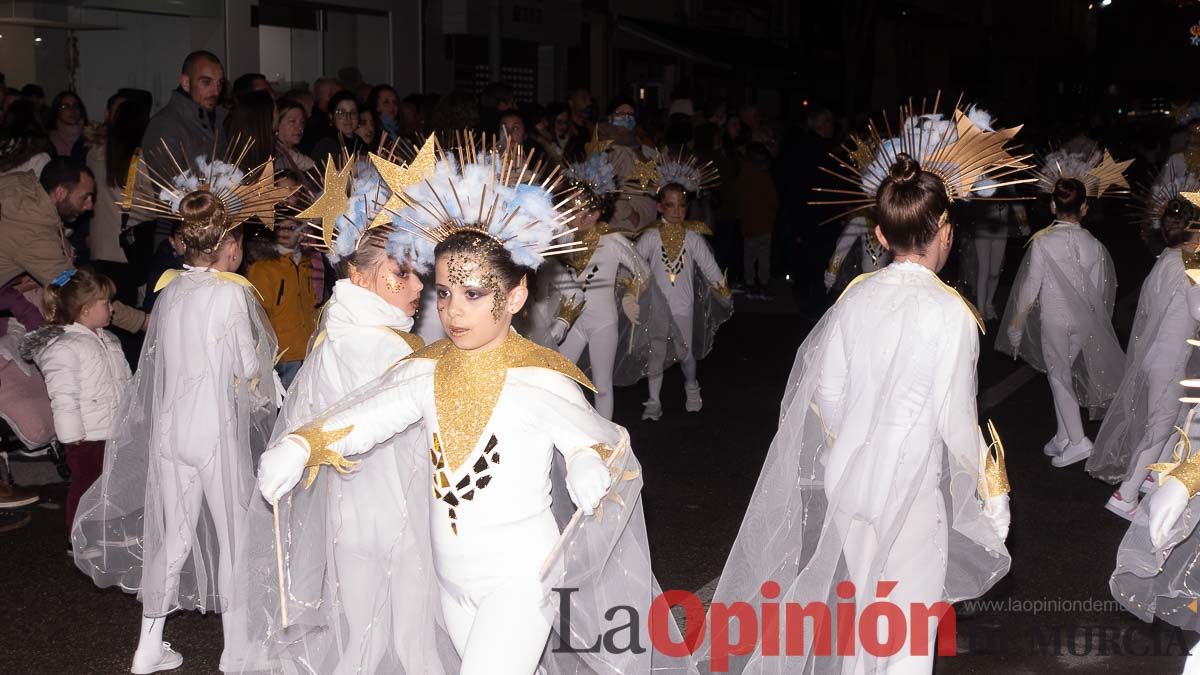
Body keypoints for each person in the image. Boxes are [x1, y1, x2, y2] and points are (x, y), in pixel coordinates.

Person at [256, 137, 690, 674]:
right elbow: (367, 414)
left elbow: (600, 440)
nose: (454, 311)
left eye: (473, 295)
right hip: (450, 584)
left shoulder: (540, 375)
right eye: (444, 293)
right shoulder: (426, 368)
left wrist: (583, 462)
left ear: (514, 297)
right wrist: (302, 445)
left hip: (520, 579)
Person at [703, 107, 1022, 672]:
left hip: (848, 471)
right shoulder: (952, 314)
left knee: (864, 618)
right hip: (910, 483)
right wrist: (991, 496)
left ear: (879, 234)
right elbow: (954, 421)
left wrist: (863, 427)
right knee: (907, 630)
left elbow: (826, 393)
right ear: (947, 231)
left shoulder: (854, 296)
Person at [70, 148, 294, 674]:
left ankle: (148, 646)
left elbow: (160, 363)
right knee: (236, 535)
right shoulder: (232, 296)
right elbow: (246, 368)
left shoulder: (169, 293)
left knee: (172, 537)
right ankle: (236, 650)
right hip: (211, 432)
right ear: (230, 247)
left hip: (171, 431)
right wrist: (269, 391)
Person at [232, 154, 436, 674]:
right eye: (402, 273)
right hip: (393, 518)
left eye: (421, 274)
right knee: (407, 641)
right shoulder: (380, 347)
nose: (417, 288)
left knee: (365, 639)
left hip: (349, 517)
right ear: (358, 272)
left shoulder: (339, 326)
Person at [999, 150, 1129, 467]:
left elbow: (1030, 288)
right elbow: (1100, 291)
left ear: (1053, 206)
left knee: (1058, 377)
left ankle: (1078, 440)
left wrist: (1015, 327)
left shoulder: (1043, 242)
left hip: (1054, 320)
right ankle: (1062, 435)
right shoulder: (1095, 246)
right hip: (1083, 322)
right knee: (1063, 375)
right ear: (1084, 208)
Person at [1087, 194, 1200, 518]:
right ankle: (1126, 495)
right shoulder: (1192, 265)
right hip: (1171, 360)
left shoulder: (1165, 258)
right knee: (1161, 426)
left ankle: (1150, 474)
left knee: (1175, 417)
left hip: (1155, 357)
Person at [543, 151, 651, 419]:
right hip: (574, 321)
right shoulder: (563, 238)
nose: (579, 215)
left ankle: (608, 445)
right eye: (572, 208)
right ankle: (567, 429)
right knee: (560, 377)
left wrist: (629, 296)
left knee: (602, 387)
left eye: (586, 209)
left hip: (604, 323)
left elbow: (642, 271)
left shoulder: (612, 240)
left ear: (599, 210)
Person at [24, 268, 131, 535]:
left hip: (113, 428)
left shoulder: (110, 340)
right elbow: (63, 396)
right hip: (86, 436)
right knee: (86, 486)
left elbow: (125, 382)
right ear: (85, 310)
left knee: (112, 485)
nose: (112, 308)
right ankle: (79, 537)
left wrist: (133, 413)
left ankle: (105, 530)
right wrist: (72, 436)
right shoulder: (64, 347)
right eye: (106, 303)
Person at [633, 155, 731, 421]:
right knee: (656, 354)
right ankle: (653, 400)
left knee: (685, 354)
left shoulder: (693, 236)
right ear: (659, 207)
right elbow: (634, 264)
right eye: (670, 205)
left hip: (684, 305)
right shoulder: (651, 236)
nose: (677, 211)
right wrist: (630, 291)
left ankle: (691, 385)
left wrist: (721, 288)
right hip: (656, 306)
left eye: (682, 205)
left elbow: (710, 267)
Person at [244, 172, 320, 389]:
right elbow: (258, 315)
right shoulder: (263, 267)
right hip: (282, 355)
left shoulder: (305, 263)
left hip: (307, 349)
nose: (287, 231)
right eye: (282, 226)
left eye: (293, 226)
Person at [86, 95, 150, 308]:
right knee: (124, 311)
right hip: (125, 250)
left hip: (98, 246)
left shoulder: (94, 152)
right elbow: (148, 208)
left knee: (100, 307)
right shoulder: (139, 159)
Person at [142, 51, 227, 185]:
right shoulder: (164, 125)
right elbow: (170, 192)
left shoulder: (220, 119)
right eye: (206, 82)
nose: (215, 92)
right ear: (186, 83)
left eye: (219, 84)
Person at [737, 141, 778, 298]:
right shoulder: (763, 175)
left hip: (748, 222)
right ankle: (763, 284)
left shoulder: (743, 174)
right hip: (764, 223)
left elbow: (739, 197)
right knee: (763, 255)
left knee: (749, 255)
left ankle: (749, 283)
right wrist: (772, 213)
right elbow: (773, 199)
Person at [310, 91, 366, 167]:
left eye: (353, 112)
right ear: (331, 116)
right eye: (341, 113)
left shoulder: (360, 142)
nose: (348, 118)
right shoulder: (326, 145)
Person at [272, 98, 315, 178]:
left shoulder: (295, 152)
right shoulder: (276, 156)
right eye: (292, 121)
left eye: (302, 122)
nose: (299, 128)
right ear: (277, 123)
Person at [45, 91, 89, 163]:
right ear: (57, 111)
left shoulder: (91, 137)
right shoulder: (49, 142)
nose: (72, 110)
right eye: (65, 106)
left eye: (75, 105)